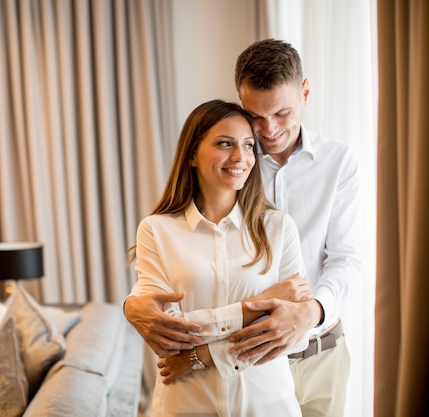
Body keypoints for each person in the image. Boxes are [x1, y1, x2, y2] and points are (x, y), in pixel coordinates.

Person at [124, 39, 361, 417]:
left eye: (282, 113)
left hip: (319, 352)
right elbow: (175, 297)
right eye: (257, 117)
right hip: (237, 368)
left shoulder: (337, 162)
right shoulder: (233, 166)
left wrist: (311, 310)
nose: (268, 131)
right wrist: (132, 304)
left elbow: (346, 259)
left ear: (305, 92)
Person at [129, 99, 314, 416]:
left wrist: (201, 356)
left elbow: (294, 337)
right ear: (192, 155)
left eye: (247, 146)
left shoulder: (278, 227)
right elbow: (171, 337)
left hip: (267, 404)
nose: (240, 157)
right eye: (225, 144)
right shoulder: (156, 231)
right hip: (186, 406)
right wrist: (257, 306)